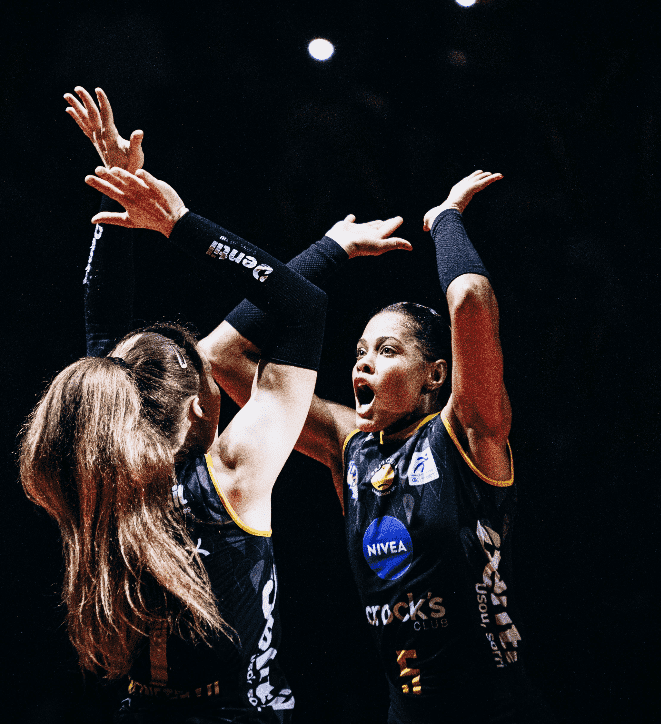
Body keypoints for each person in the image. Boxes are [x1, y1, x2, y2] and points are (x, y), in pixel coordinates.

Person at [20, 86, 328, 723]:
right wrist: (177, 221)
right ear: (202, 408)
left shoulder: (99, 476)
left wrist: (122, 191)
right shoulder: (233, 477)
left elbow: (105, 338)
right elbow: (301, 305)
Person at [205, 170, 546, 723]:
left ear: (435, 375)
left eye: (387, 350)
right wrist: (329, 250)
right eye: (361, 350)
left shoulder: (470, 434)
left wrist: (446, 221)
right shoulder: (350, 447)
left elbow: (469, 297)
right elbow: (223, 356)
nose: (362, 362)